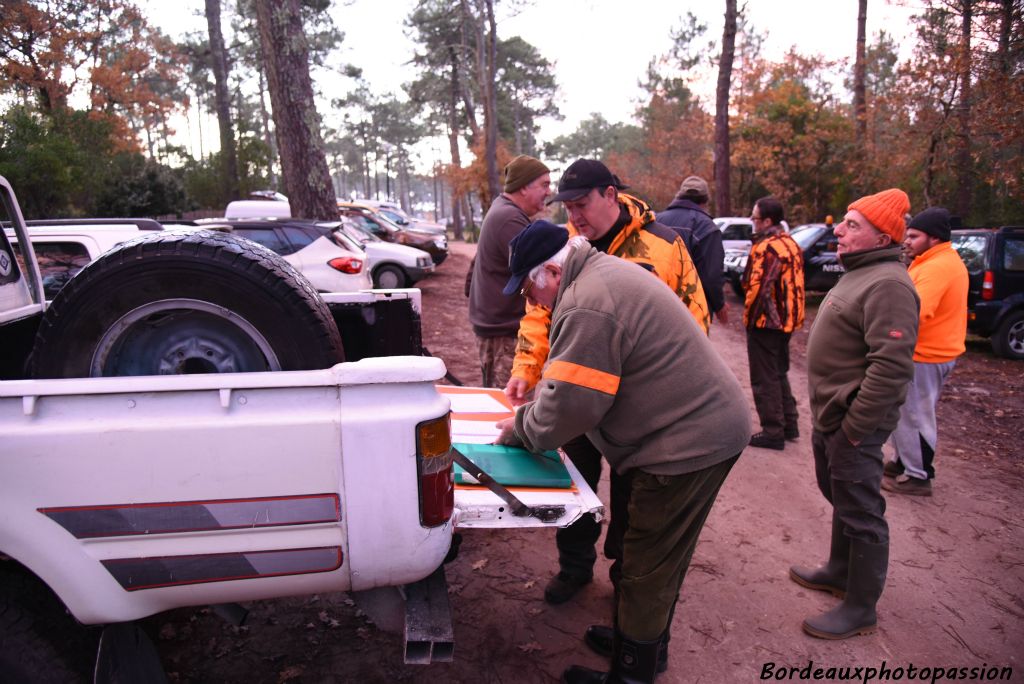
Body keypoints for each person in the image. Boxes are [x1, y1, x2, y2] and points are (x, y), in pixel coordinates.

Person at [495, 220, 749, 683]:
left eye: (530, 290)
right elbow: (576, 383)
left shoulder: (588, 302)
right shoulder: (597, 275)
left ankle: (632, 673)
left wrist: (518, 429)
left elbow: (570, 407)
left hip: (687, 443)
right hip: (691, 429)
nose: (531, 302)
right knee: (653, 556)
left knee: (647, 563)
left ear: (552, 270)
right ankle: (644, 643)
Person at [505, 158, 710, 606]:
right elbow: (539, 313)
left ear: (610, 196)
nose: (574, 216)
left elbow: (692, 323)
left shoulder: (664, 245)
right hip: (578, 392)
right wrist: (526, 368)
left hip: (636, 409)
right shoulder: (566, 248)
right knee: (571, 479)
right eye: (567, 207)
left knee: (635, 498)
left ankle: (626, 583)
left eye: (581, 205)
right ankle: (574, 567)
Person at [794, 188, 920, 640]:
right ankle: (839, 570)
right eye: (843, 221)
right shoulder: (860, 271)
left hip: (853, 424)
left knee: (862, 509)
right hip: (834, 417)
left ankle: (861, 607)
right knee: (843, 496)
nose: (838, 230)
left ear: (883, 237)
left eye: (852, 225)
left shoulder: (888, 282)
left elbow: (891, 367)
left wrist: (855, 429)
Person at [884, 207, 968, 497]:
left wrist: (884, 329)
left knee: (916, 415)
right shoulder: (933, 259)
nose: (907, 240)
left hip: (926, 354)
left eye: (914, 236)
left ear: (933, 238)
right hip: (928, 351)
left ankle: (919, 476)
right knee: (905, 412)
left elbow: (915, 311)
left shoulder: (937, 267)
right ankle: (902, 461)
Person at [468, 155, 551, 387]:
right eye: (544, 184)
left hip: (496, 329)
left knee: (503, 405)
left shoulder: (502, 211)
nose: (549, 191)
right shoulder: (510, 219)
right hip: (503, 335)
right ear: (524, 186)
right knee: (511, 407)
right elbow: (541, 277)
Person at [742, 196, 805, 450]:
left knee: (764, 376)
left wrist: (751, 320)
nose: (752, 221)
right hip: (787, 322)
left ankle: (773, 431)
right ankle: (789, 424)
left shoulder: (767, 248)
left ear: (767, 221)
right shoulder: (790, 243)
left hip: (766, 323)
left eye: (755, 217)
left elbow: (759, 287)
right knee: (779, 371)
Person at [657, 175, 729, 324]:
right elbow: (712, 275)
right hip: (692, 311)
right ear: (705, 200)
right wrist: (719, 305)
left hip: (657, 305)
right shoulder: (707, 228)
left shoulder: (656, 220)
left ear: (679, 195)